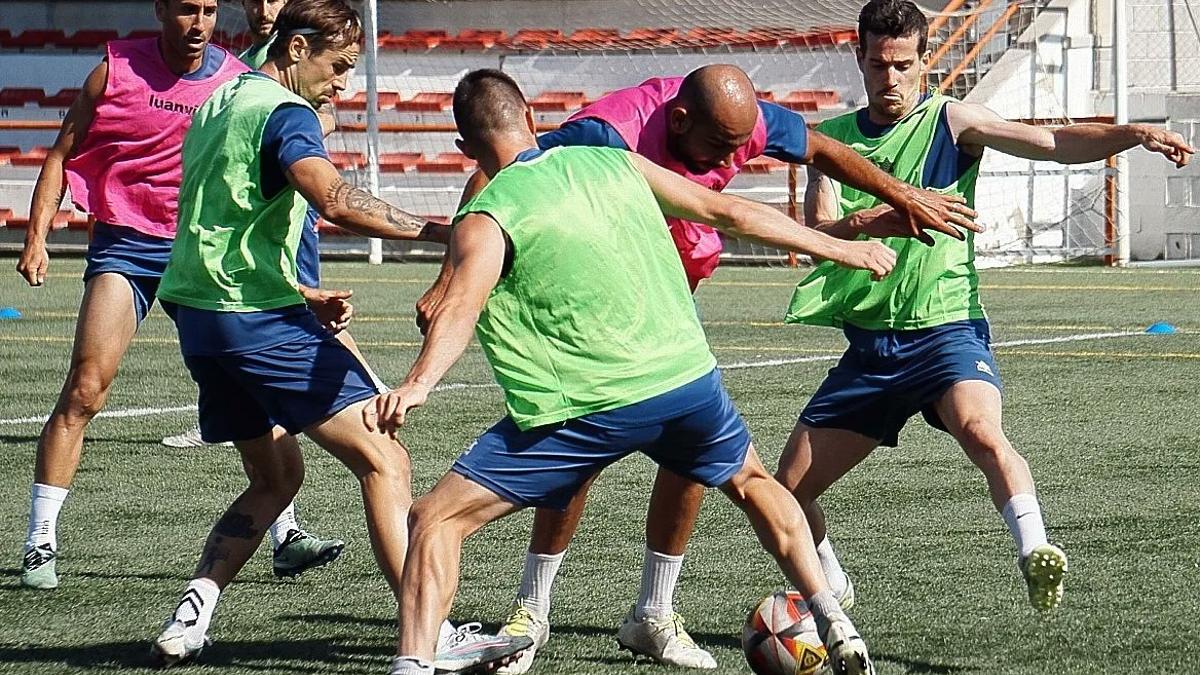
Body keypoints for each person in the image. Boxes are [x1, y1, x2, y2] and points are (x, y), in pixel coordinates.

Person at [371, 68, 962, 675]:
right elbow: (728, 211)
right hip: (685, 380)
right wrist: (844, 248)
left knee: (434, 518)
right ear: (531, 119)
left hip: (590, 399)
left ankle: (415, 664)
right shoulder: (615, 158)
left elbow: (464, 303)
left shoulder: (489, 213)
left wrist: (419, 381)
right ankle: (833, 617)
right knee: (755, 482)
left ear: (465, 149)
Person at [775, 0, 1194, 615]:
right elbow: (819, 235)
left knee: (982, 432)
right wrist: (878, 218)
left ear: (924, 61)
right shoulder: (831, 143)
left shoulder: (952, 123)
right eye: (877, 65)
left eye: (903, 65)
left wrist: (1130, 134)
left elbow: (1050, 141)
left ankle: (1035, 551)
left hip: (947, 330)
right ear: (859, 59)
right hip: (870, 348)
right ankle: (832, 584)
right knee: (786, 491)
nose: (890, 79)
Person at [145, 4, 523, 671]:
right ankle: (431, 635)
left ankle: (191, 611)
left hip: (201, 319)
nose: (343, 85)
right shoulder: (286, 112)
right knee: (387, 461)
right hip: (253, 316)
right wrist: (444, 231)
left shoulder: (219, 97)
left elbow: (222, 215)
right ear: (296, 47)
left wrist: (299, 290)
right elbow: (337, 199)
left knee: (276, 475)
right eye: (339, 66)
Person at [11, 0, 339, 590]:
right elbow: (60, 156)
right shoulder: (114, 71)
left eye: (210, 11)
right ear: (161, 9)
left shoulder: (238, 81)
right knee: (87, 386)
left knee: (251, 389)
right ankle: (39, 542)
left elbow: (294, 141)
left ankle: (285, 534)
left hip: (201, 251)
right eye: (187, 9)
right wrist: (36, 238)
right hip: (128, 245)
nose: (199, 25)